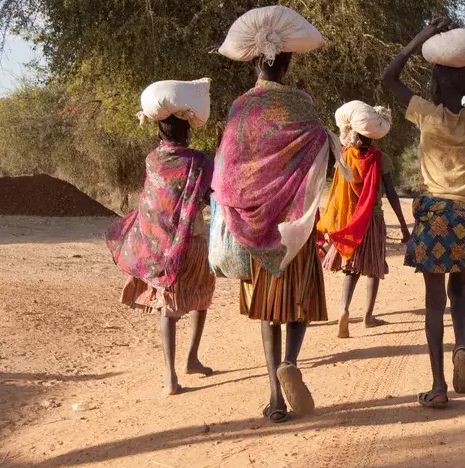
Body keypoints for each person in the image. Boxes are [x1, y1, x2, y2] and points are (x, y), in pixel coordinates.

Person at [213, 40, 348, 423]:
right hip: (297, 224)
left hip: (259, 227)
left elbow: (227, 166)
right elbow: (320, 144)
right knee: (298, 303)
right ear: (287, 63)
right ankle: (290, 362)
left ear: (256, 59)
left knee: (268, 312)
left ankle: (275, 395)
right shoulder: (302, 103)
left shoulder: (242, 106)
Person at [382, 18, 465, 409]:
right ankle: (462, 345)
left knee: (433, 303)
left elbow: (389, 77)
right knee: (459, 290)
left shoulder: (426, 114)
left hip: (434, 214)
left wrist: (423, 36)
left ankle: (439, 385)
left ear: (435, 86)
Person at [105, 113, 215, 396]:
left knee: (169, 305)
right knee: (201, 296)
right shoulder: (200, 161)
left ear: (159, 135)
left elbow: (153, 200)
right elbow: (209, 193)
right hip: (193, 240)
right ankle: (192, 358)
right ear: (188, 134)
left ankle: (171, 375)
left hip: (160, 244)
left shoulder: (152, 160)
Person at [319, 106, 411, 338]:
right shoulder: (381, 159)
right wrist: (402, 225)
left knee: (351, 269)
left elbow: (337, 191)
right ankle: (368, 316)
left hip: (350, 220)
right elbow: (391, 194)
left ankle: (343, 310)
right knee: (373, 267)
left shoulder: (345, 156)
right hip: (372, 219)